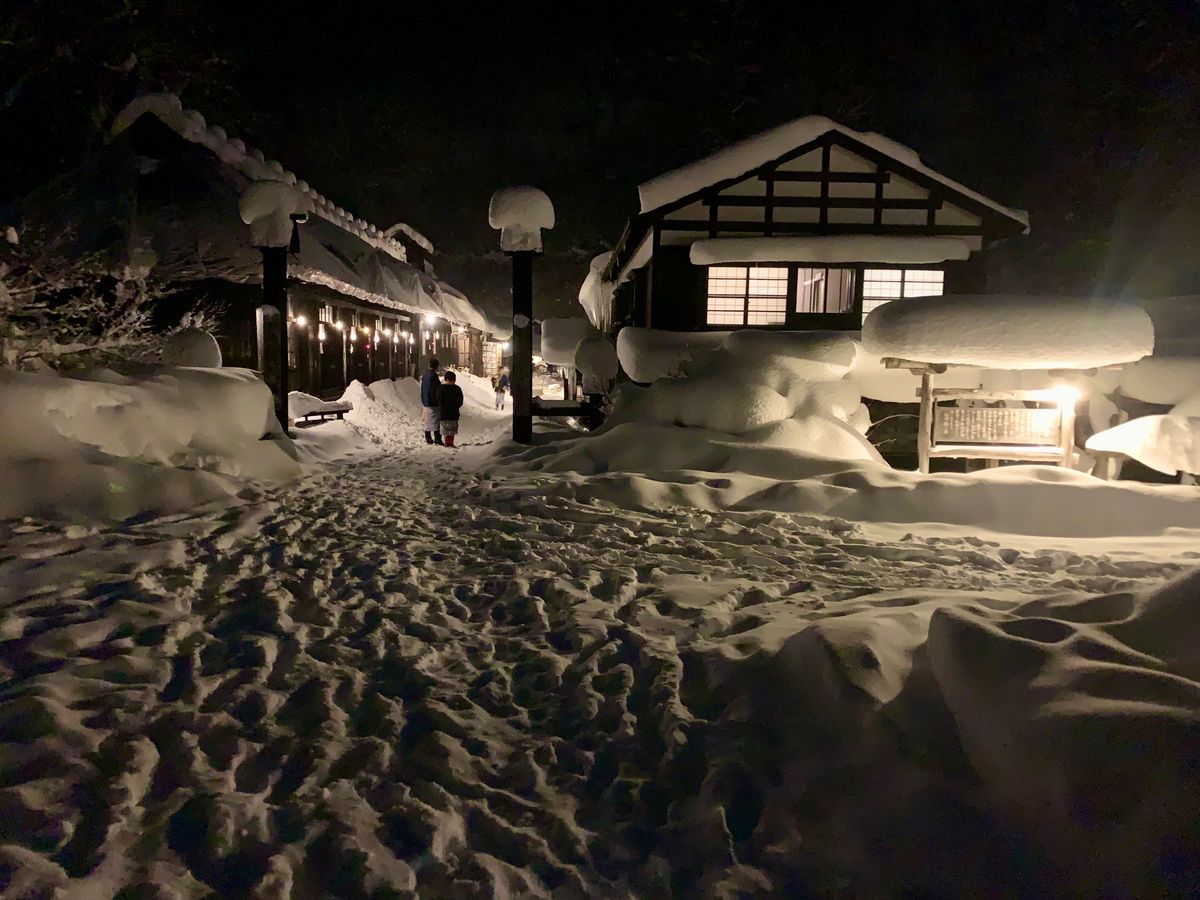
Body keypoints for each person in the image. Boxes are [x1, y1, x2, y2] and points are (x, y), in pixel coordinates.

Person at [438, 369, 465, 448]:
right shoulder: (457, 389)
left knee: (445, 430)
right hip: (454, 413)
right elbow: (460, 401)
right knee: (452, 430)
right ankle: (450, 443)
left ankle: (447, 442)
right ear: (454, 379)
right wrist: (455, 406)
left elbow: (437, 399)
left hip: (443, 414)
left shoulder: (440, 389)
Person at [420, 358, 442, 444]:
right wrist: (437, 400)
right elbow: (435, 389)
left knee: (427, 420)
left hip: (425, 401)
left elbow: (422, 388)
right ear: (436, 366)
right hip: (433, 402)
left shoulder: (425, 375)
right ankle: (437, 438)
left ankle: (428, 438)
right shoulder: (434, 376)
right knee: (436, 421)